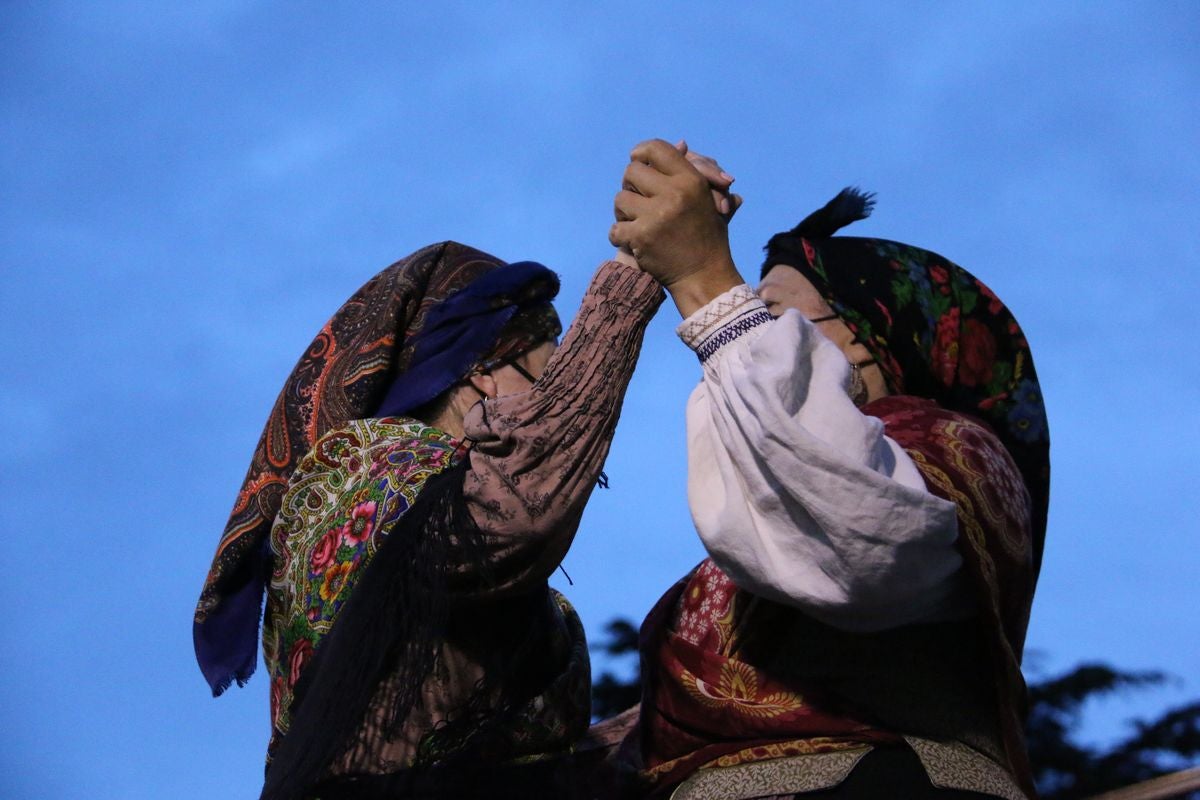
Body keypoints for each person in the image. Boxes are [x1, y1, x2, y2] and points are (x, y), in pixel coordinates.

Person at [609, 141, 1050, 799]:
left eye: (781, 320)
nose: (770, 342)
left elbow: (867, 544)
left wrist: (706, 281)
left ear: (874, 338)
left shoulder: (954, 454)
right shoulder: (783, 513)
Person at [193, 241, 667, 798]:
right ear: (484, 371)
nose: (558, 407)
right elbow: (510, 522)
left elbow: (522, 761)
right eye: (548, 379)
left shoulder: (446, 504)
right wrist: (631, 285)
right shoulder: (368, 465)